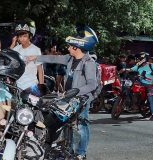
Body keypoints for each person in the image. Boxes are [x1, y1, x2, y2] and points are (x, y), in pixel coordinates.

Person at [28, 26, 99, 160]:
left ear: (77, 48)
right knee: (68, 125)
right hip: (69, 98)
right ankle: (69, 150)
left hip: (81, 100)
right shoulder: (70, 59)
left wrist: (76, 91)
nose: (68, 48)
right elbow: (54, 59)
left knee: (81, 127)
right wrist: (36, 57)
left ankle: (81, 153)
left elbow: (92, 84)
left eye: (70, 46)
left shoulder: (89, 63)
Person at [10, 19, 44, 90]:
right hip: (18, 86)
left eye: (24, 36)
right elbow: (8, 56)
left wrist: (41, 85)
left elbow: (40, 69)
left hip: (32, 85)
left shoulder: (35, 50)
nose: (21, 39)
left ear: (30, 37)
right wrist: (13, 44)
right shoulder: (16, 49)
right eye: (19, 36)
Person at [122, 52, 153, 120]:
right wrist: (125, 70)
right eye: (137, 59)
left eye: (139, 59)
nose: (137, 60)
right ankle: (131, 104)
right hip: (141, 82)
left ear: (144, 59)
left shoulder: (152, 66)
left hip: (151, 85)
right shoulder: (138, 65)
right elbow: (131, 69)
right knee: (129, 86)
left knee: (150, 98)